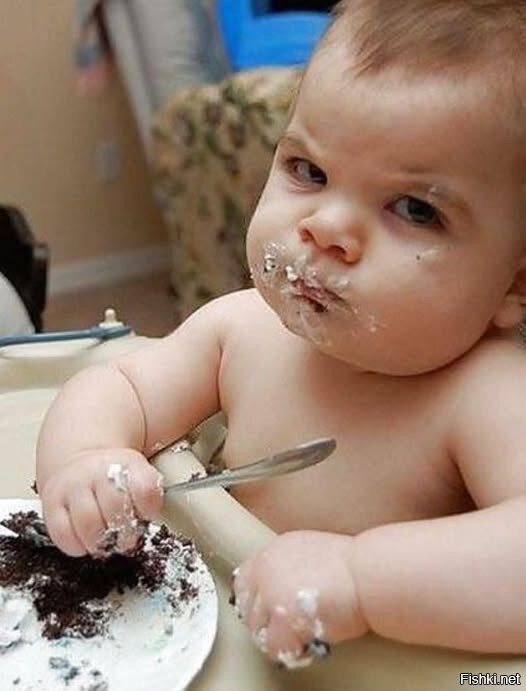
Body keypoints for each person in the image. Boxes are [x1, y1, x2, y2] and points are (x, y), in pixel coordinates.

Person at [36, 0, 526, 668]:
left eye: (415, 209)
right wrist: (85, 460)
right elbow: (119, 383)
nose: (324, 227)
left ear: (514, 284)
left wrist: (360, 580)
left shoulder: (486, 397)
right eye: (309, 171)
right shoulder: (243, 329)